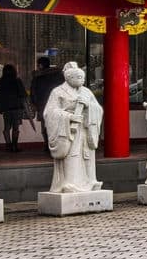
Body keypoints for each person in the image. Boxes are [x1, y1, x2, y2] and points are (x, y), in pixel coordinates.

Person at [43, 62, 103, 194]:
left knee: (86, 155)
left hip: (85, 129)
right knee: (72, 155)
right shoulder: (57, 92)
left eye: (83, 77)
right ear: (68, 78)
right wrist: (68, 117)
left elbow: (98, 109)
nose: (81, 80)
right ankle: (70, 183)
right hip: (68, 131)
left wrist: (89, 106)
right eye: (78, 77)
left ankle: (89, 181)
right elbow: (49, 113)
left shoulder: (87, 92)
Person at [0, 64, 29, 153]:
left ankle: (8, 145)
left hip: (6, 108)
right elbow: (23, 94)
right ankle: (15, 146)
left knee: (7, 127)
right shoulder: (17, 80)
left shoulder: (0, 81)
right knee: (16, 127)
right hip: (17, 107)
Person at [29, 57, 63, 141]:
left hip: (42, 104)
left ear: (40, 65)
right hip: (57, 104)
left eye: (38, 65)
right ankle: (55, 142)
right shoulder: (58, 74)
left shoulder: (37, 77)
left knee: (44, 125)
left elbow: (33, 92)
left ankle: (47, 144)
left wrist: (34, 103)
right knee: (56, 123)